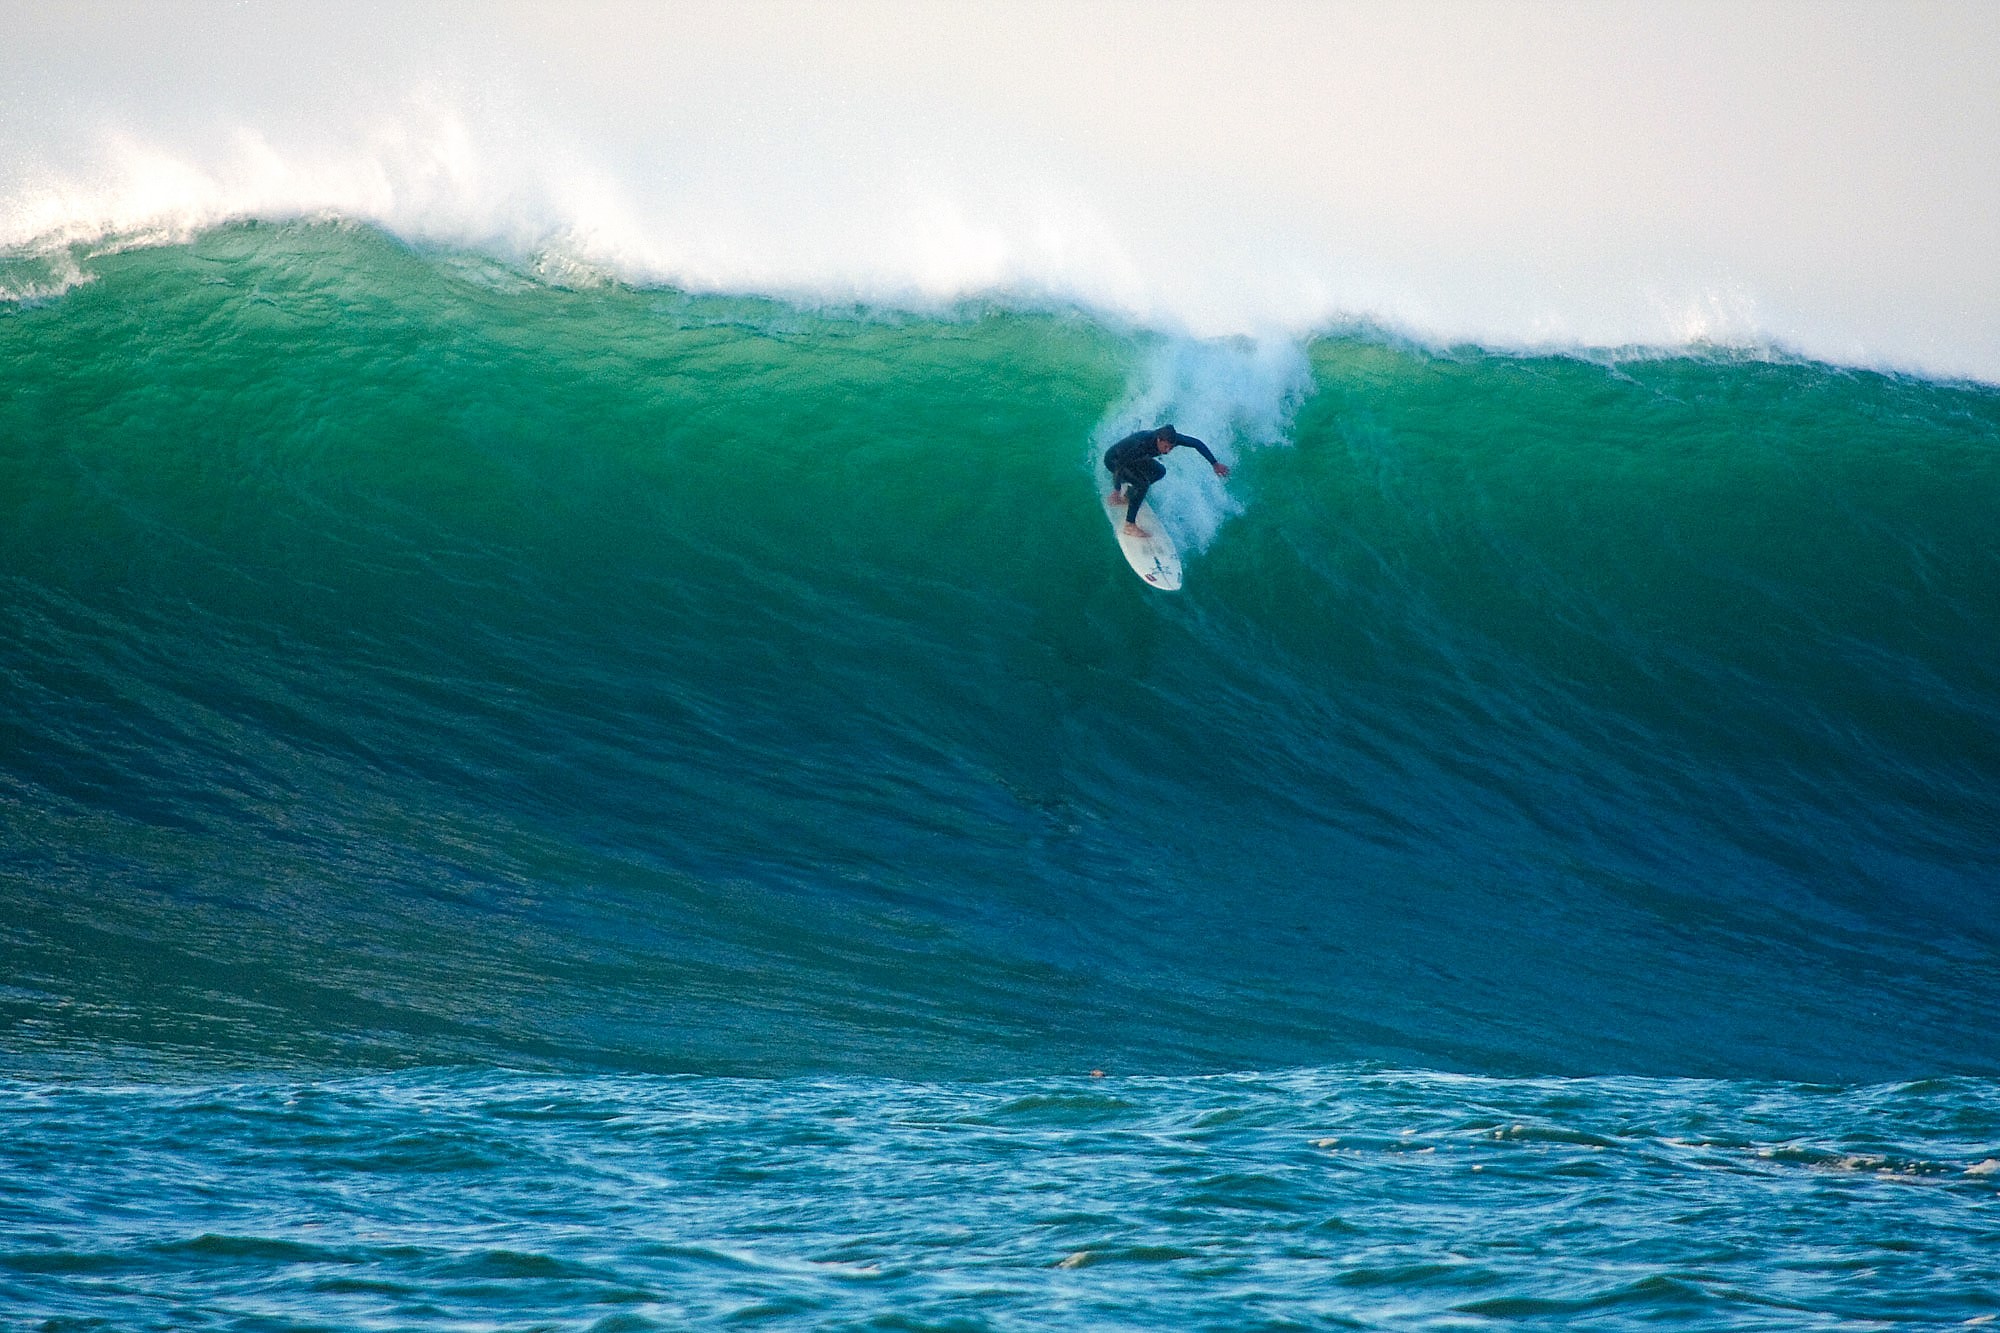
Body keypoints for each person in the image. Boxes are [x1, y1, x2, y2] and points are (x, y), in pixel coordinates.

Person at [1102, 424, 1229, 537]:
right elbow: (1120, 466)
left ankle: (1130, 495)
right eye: (1166, 447)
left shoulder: (1171, 438)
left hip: (1136, 459)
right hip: (1114, 460)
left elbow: (1196, 443)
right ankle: (1129, 525)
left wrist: (1215, 463)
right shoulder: (1141, 443)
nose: (1168, 451)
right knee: (1142, 484)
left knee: (1160, 471)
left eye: (1171, 448)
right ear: (1159, 439)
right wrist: (1116, 489)